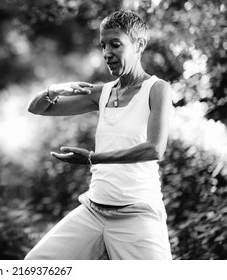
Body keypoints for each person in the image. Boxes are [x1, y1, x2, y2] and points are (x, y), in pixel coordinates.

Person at [24, 10, 173, 260]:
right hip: (93, 210)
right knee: (36, 265)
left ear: (139, 45)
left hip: (136, 214)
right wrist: (57, 88)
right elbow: (37, 108)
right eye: (103, 45)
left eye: (115, 44)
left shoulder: (157, 89)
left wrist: (94, 158)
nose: (107, 53)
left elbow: (154, 149)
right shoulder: (101, 93)